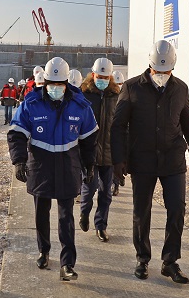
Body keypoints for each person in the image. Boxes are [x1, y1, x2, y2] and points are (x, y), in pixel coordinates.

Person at [111, 40, 189, 284]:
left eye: (166, 71)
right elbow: (118, 126)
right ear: (150, 65)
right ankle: (142, 258)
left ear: (172, 67)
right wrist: (118, 160)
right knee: (141, 211)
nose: (161, 75)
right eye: (157, 70)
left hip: (172, 159)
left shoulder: (180, 88)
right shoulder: (132, 88)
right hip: (142, 159)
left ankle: (170, 261)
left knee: (177, 209)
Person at [7, 57, 98, 281]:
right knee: (41, 213)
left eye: (59, 84)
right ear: (45, 82)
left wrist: (89, 164)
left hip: (68, 166)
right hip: (41, 167)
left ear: (66, 83)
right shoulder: (31, 103)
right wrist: (19, 161)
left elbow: (89, 139)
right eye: (51, 84)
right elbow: (17, 134)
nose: (55, 88)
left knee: (66, 217)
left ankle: (67, 264)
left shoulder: (80, 105)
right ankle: (44, 250)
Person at [79, 58, 119, 243]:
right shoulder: (84, 95)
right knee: (89, 188)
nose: (102, 80)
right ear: (92, 74)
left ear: (110, 77)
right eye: (99, 76)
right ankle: (84, 212)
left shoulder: (115, 96)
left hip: (109, 152)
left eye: (105, 77)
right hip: (90, 151)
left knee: (106, 193)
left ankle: (101, 226)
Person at [111, 69, 127, 196]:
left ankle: (120, 178)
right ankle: (115, 184)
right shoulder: (109, 97)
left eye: (120, 84)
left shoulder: (126, 98)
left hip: (124, 136)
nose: (118, 86)